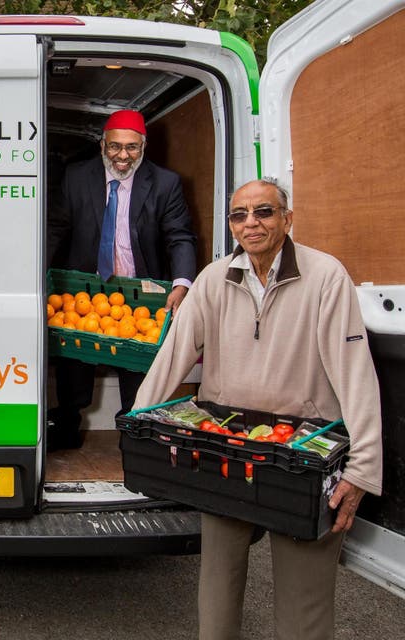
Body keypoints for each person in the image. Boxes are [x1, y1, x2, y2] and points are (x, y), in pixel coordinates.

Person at [133, 179, 383, 639]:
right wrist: (138, 424)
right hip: (226, 449)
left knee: (303, 607)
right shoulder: (213, 278)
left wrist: (362, 470)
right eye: (239, 215)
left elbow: (356, 374)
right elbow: (174, 354)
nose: (251, 223)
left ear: (287, 219)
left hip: (301, 456)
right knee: (218, 591)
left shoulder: (326, 276)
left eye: (264, 212)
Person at [46, 109, 197, 449]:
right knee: (75, 363)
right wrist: (36, 276)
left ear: (143, 146)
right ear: (103, 145)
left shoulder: (165, 183)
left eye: (131, 147)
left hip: (140, 292)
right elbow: (55, 228)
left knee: (137, 365)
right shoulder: (75, 176)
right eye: (115, 147)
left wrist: (182, 283)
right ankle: (68, 425)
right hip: (84, 288)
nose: (123, 156)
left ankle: (132, 433)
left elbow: (180, 237)